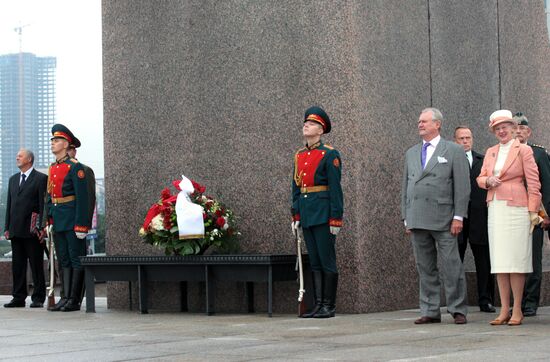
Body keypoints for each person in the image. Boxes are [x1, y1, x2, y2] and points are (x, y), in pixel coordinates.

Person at [401, 107, 470, 325]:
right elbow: (406, 186)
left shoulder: (453, 150)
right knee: (425, 266)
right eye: (419, 121)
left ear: (437, 124)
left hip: (445, 219)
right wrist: (406, 216)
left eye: (424, 121)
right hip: (417, 217)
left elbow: (462, 186)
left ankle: (457, 308)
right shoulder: (411, 152)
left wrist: (459, 216)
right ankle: (430, 310)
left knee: (452, 265)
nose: (420, 124)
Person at [477, 110, 541, 326]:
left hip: (516, 209)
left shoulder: (523, 150)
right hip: (495, 207)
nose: (501, 131)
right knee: (500, 261)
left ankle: (517, 309)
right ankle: (504, 309)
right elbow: (480, 177)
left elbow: (534, 183)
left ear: (514, 129)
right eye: (497, 128)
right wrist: (487, 181)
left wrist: (534, 211)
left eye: (505, 127)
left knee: (515, 260)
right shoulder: (491, 151)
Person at [291, 106, 343, 318]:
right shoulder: (300, 155)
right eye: (305, 123)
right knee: (314, 261)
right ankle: (318, 304)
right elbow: (295, 188)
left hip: (323, 214)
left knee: (326, 260)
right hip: (307, 214)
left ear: (320, 130)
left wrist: (335, 218)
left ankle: (328, 306)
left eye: (311, 124)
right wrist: (296, 214)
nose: (306, 125)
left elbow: (335, 189)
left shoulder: (330, 154)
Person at [46, 124, 90, 312]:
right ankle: (65, 297)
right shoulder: (53, 168)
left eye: (56, 141)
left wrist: (82, 225)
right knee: (63, 259)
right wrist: (49, 220)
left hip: (72, 219)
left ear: (65, 144)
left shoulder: (75, 167)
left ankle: (74, 299)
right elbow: (50, 196)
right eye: (53, 141)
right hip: (59, 219)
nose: (53, 144)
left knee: (75, 259)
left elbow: (83, 198)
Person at [454, 126, 495, 313]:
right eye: (461, 138)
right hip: (458, 216)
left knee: (483, 260)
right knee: (455, 259)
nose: (465, 141)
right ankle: (456, 301)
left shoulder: (483, 159)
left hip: (480, 216)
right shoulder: (450, 159)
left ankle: (485, 300)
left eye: (468, 137)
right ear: (455, 140)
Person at [514, 112, 550, 317]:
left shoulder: (538, 153)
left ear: (528, 132)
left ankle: (531, 302)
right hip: (511, 213)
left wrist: (546, 215)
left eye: (522, 129)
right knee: (516, 260)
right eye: (515, 128)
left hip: (534, 215)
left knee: (533, 260)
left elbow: (547, 185)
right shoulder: (505, 152)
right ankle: (517, 301)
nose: (518, 131)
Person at [3, 149, 48, 308]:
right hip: (15, 230)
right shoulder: (13, 179)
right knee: (18, 265)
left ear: (29, 159)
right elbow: (10, 205)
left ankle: (38, 297)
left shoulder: (41, 178)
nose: (17, 157)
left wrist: (43, 228)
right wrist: (7, 227)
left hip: (32, 230)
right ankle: (18, 297)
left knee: (36, 265)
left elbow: (43, 205)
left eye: (20, 156)